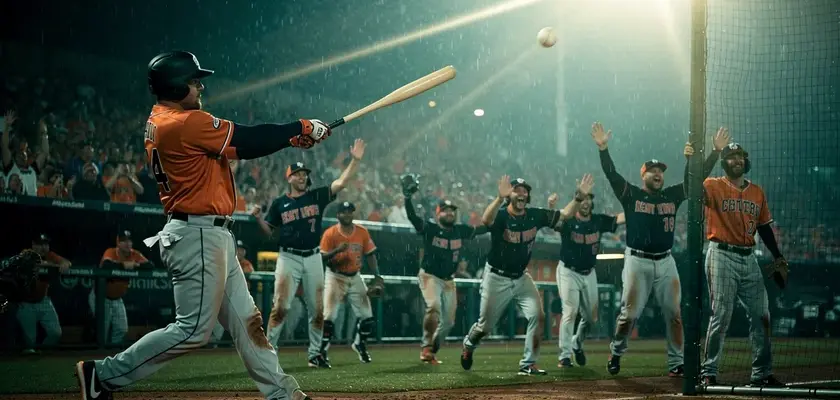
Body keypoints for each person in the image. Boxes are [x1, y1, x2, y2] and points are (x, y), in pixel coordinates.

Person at [74, 50, 330, 400]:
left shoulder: (161, 118)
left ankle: (284, 395)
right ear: (177, 86)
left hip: (208, 232)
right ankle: (101, 375)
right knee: (193, 330)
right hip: (196, 233)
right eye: (194, 81)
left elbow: (242, 145)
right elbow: (248, 140)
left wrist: (288, 138)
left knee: (246, 322)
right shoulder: (183, 123)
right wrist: (299, 127)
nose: (199, 87)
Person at [591, 122, 728, 377]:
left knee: (675, 315)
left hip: (666, 262)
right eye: (652, 171)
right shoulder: (631, 195)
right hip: (637, 261)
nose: (657, 174)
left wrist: (714, 153)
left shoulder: (672, 196)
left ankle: (676, 362)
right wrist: (603, 150)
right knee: (629, 315)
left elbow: (695, 180)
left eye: (660, 171)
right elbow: (612, 174)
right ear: (643, 175)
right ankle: (616, 351)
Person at [461, 174, 594, 375]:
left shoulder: (535, 215)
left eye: (525, 191)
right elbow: (486, 220)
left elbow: (564, 215)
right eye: (517, 190)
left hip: (521, 277)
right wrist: (498, 198)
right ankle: (469, 344)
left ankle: (528, 363)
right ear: (510, 194)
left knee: (538, 316)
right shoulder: (503, 215)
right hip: (496, 277)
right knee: (485, 326)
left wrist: (578, 198)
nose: (522, 193)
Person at [686, 141, 787, 387]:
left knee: (762, 314)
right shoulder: (713, 185)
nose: (737, 160)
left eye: (740, 156)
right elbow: (690, 187)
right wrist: (696, 158)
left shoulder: (757, 192)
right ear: (724, 162)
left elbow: (763, 227)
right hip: (721, 253)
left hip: (749, 257)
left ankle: (761, 373)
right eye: (731, 156)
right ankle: (708, 371)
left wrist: (777, 256)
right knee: (721, 313)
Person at [256, 141, 364, 369]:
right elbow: (269, 233)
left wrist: (355, 160)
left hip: (314, 256)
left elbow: (341, 182)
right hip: (288, 257)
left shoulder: (316, 196)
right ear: (289, 178)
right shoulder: (279, 204)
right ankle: (269, 353)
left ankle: (315, 354)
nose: (302, 177)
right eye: (297, 174)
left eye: (304, 174)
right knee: (281, 307)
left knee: (317, 310)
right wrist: (257, 219)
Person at [401, 173, 488, 364]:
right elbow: (413, 217)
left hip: (449, 280)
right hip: (430, 276)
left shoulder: (460, 230)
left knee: (449, 322)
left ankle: (432, 350)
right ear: (437, 213)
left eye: (452, 211)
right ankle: (425, 346)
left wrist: (499, 218)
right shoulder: (431, 228)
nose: (449, 213)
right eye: (445, 210)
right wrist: (407, 198)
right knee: (433, 307)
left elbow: (483, 228)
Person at [552, 191, 625, 368]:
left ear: (592, 202)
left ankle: (577, 343)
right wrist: (552, 208)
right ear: (577, 201)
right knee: (569, 312)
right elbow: (555, 222)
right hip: (568, 271)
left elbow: (618, 219)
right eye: (582, 199)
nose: (585, 203)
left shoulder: (597, 220)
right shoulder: (569, 220)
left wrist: (635, 207)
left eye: (589, 199)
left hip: (589, 272)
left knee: (591, 318)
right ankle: (565, 356)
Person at [318, 201, 382, 363]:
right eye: (344, 212)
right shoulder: (330, 233)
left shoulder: (361, 232)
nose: (347, 214)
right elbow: (321, 258)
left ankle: (360, 344)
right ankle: (321, 351)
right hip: (335, 275)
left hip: (355, 276)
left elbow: (370, 254)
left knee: (367, 317)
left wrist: (377, 276)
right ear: (338, 215)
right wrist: (337, 251)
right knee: (329, 316)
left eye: (350, 212)